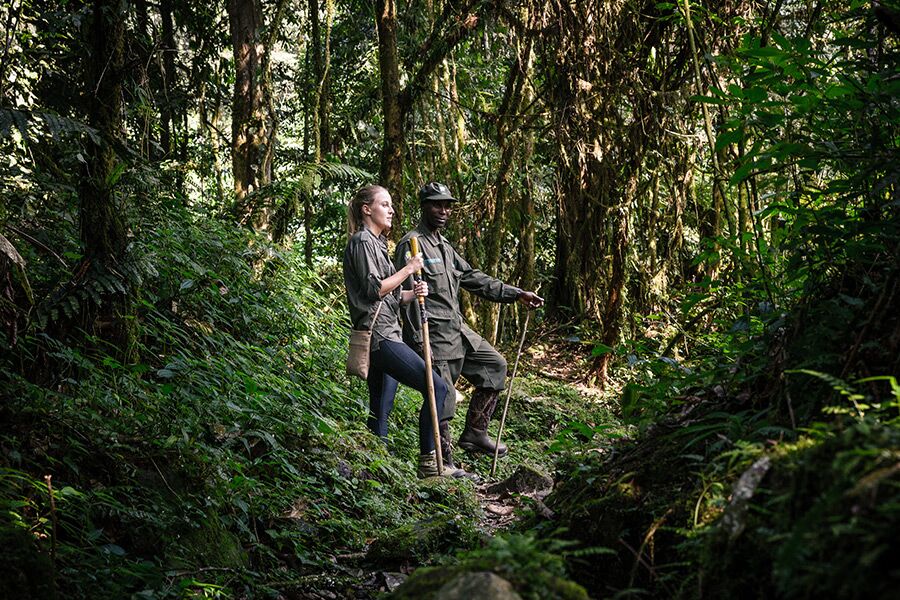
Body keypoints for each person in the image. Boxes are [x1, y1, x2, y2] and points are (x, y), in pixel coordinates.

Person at [394, 182, 544, 474]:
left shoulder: (444, 246)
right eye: (437, 205)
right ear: (424, 206)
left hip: (458, 329)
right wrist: (418, 340)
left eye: (447, 206)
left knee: (495, 366)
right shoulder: (412, 244)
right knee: (443, 396)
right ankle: (443, 464)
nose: (443, 211)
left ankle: (475, 432)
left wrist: (516, 294)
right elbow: (406, 296)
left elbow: (474, 278)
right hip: (434, 334)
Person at [343, 184, 450, 478]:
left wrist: (412, 293)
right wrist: (408, 269)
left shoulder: (378, 244)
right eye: (385, 205)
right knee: (437, 387)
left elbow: (388, 296)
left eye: (391, 205)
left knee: (380, 407)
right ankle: (428, 461)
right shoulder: (362, 242)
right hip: (380, 336)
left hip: (386, 331)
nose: (391, 210)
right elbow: (374, 289)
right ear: (367, 210)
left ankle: (374, 472)